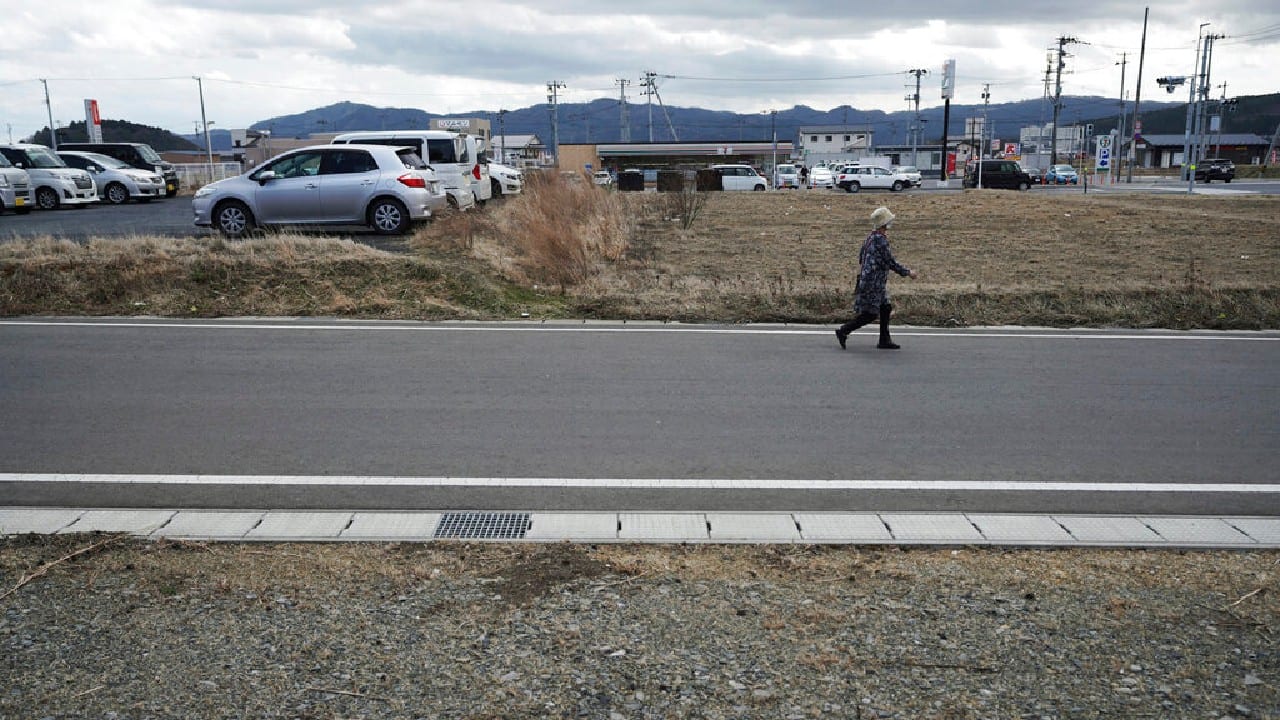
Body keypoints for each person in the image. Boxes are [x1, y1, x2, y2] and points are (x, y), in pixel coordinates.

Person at [836, 206, 918, 350]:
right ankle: (844, 330)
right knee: (870, 314)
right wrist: (908, 273)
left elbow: (861, 258)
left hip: (870, 280)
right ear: (884, 224)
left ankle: (884, 340)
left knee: (885, 307)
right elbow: (890, 262)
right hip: (873, 283)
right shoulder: (880, 240)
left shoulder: (870, 237)